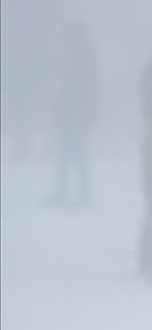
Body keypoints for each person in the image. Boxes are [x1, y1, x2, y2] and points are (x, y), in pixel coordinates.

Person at [46, 23, 100, 207]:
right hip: (72, 117)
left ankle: (80, 196)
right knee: (68, 157)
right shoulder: (78, 58)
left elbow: (83, 92)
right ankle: (67, 193)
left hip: (77, 118)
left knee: (77, 157)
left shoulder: (81, 60)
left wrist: (64, 110)